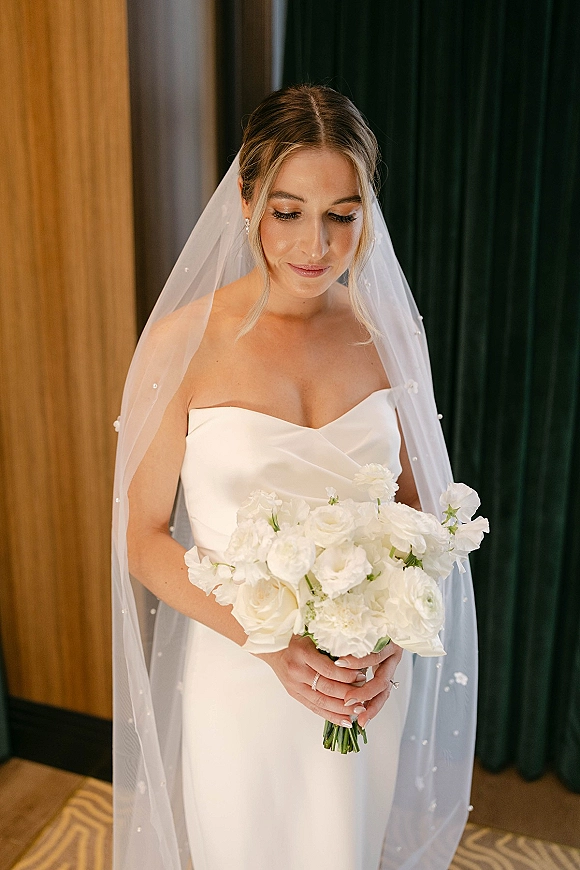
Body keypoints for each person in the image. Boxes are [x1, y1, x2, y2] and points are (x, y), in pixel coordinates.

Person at [112, 85, 478, 870]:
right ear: (246, 199)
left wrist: (391, 641)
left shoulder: (387, 335)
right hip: (243, 673)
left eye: (342, 214)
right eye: (288, 212)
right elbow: (142, 541)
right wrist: (274, 645)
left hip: (359, 681)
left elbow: (418, 513)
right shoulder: (181, 343)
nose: (316, 244)